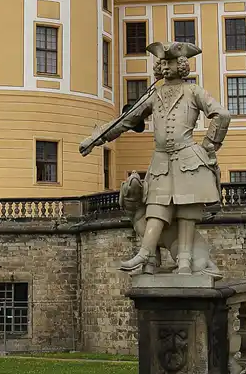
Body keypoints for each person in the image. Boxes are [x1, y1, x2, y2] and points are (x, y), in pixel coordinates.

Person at [79, 41, 230, 275]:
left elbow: (222, 114)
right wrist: (96, 138)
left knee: (187, 212)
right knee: (156, 207)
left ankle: (185, 263)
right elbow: (126, 120)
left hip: (188, 157)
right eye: (162, 62)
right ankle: (145, 253)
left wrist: (209, 145)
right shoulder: (155, 94)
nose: (164, 66)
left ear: (180, 65)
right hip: (161, 160)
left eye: (169, 62)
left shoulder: (193, 91)